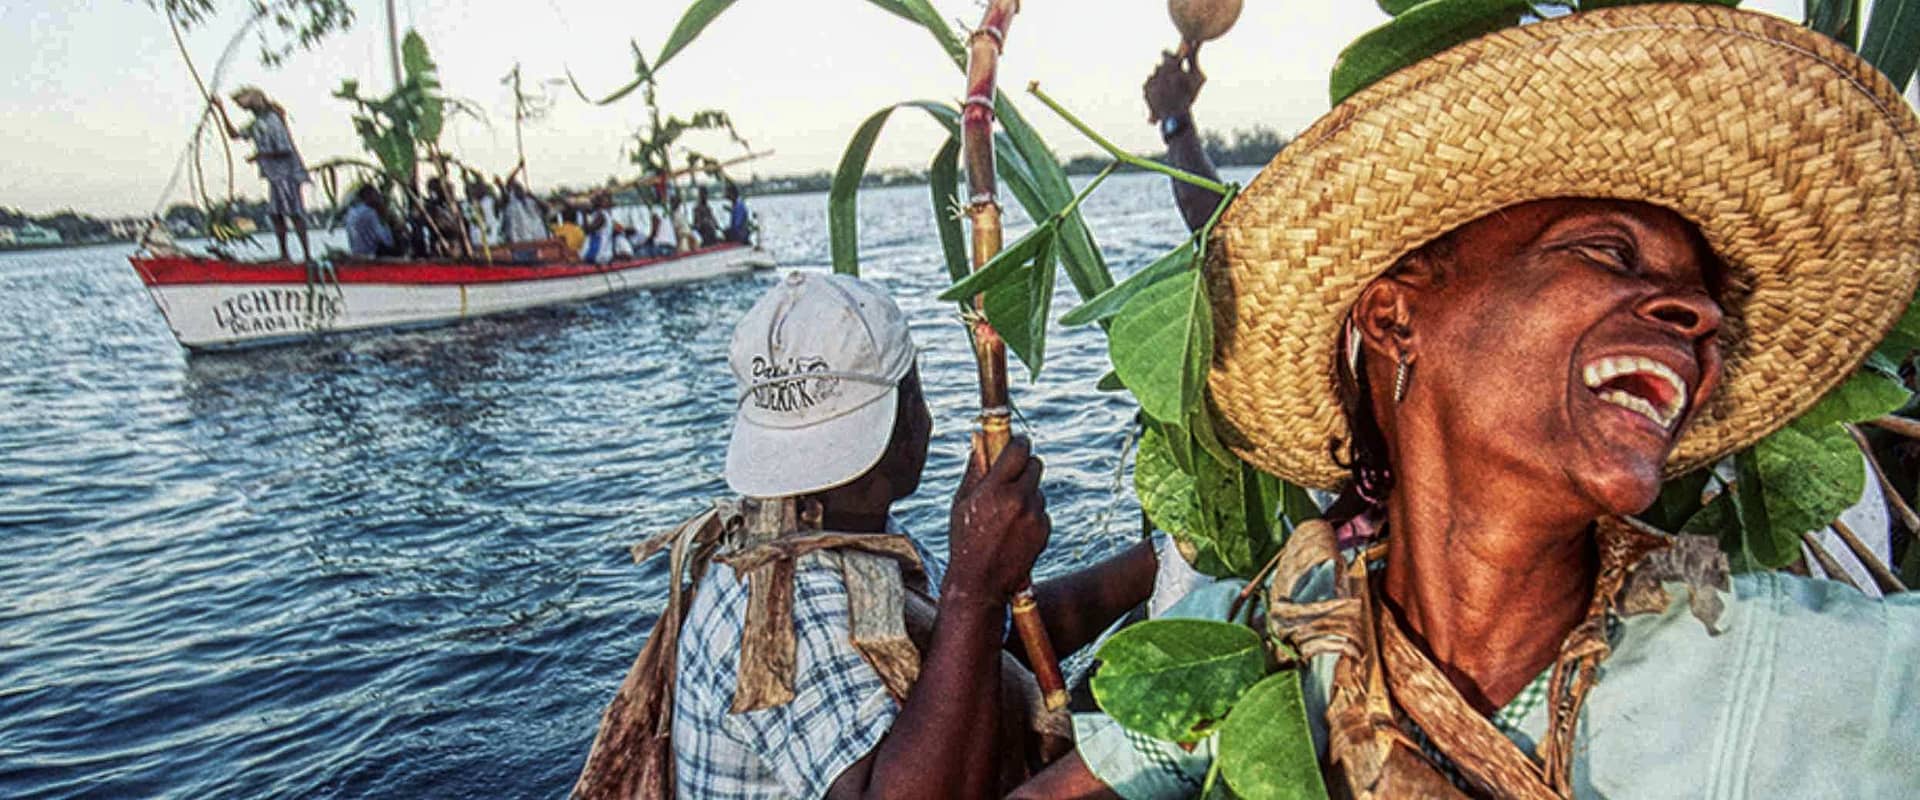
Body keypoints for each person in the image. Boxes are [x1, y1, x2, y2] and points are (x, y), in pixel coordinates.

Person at [1016, 6, 1920, 798]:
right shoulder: (1267, 639)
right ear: (1394, 316)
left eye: (1706, 302)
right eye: (1607, 252)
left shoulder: (1836, 678)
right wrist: (1179, 131)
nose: (1702, 318)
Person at [573, 272, 1159, 798]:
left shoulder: (838, 524)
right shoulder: (779, 598)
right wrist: (973, 585)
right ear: (909, 416)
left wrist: (1157, 562)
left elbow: (986, 655)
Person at [216, 86, 311, 263]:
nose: (243, 107)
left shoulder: (272, 120)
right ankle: (285, 254)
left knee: (294, 213)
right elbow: (234, 135)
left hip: (287, 174)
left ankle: (305, 256)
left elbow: (284, 150)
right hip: (274, 176)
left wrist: (260, 156)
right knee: (277, 215)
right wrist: (221, 110)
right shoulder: (257, 122)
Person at [343, 184, 400, 258]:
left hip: (356, 253)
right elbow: (386, 240)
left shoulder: (351, 212)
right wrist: (385, 219)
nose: (378, 198)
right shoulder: (370, 213)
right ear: (369, 196)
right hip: (371, 254)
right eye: (376, 195)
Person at [580, 192, 615, 265]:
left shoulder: (601, 216)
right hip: (602, 254)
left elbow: (587, 230)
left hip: (598, 255)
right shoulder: (602, 214)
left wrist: (584, 214)